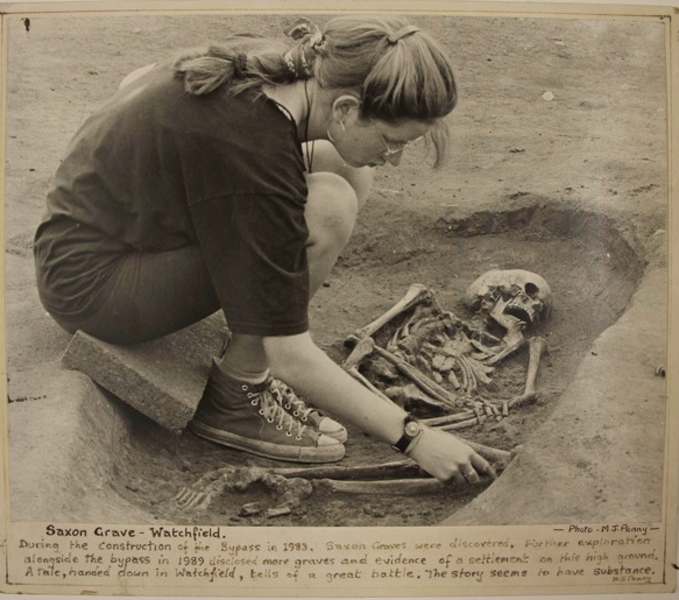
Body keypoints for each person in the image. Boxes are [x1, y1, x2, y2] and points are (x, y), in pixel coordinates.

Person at [34, 15, 496, 485]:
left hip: (127, 229)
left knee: (351, 167)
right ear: (345, 108)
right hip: (93, 285)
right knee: (328, 208)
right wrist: (413, 437)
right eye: (392, 140)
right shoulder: (253, 149)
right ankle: (238, 394)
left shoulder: (282, 69)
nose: (395, 156)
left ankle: (246, 354)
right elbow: (290, 354)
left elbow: (134, 80)